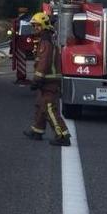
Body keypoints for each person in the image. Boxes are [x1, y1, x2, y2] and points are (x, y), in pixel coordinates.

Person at [22, 12, 71, 146]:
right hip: (48, 81)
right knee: (40, 105)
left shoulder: (45, 43)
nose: (34, 29)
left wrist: (36, 80)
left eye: (36, 26)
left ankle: (63, 136)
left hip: (49, 82)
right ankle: (37, 131)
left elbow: (43, 63)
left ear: (43, 26)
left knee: (49, 108)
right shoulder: (46, 40)